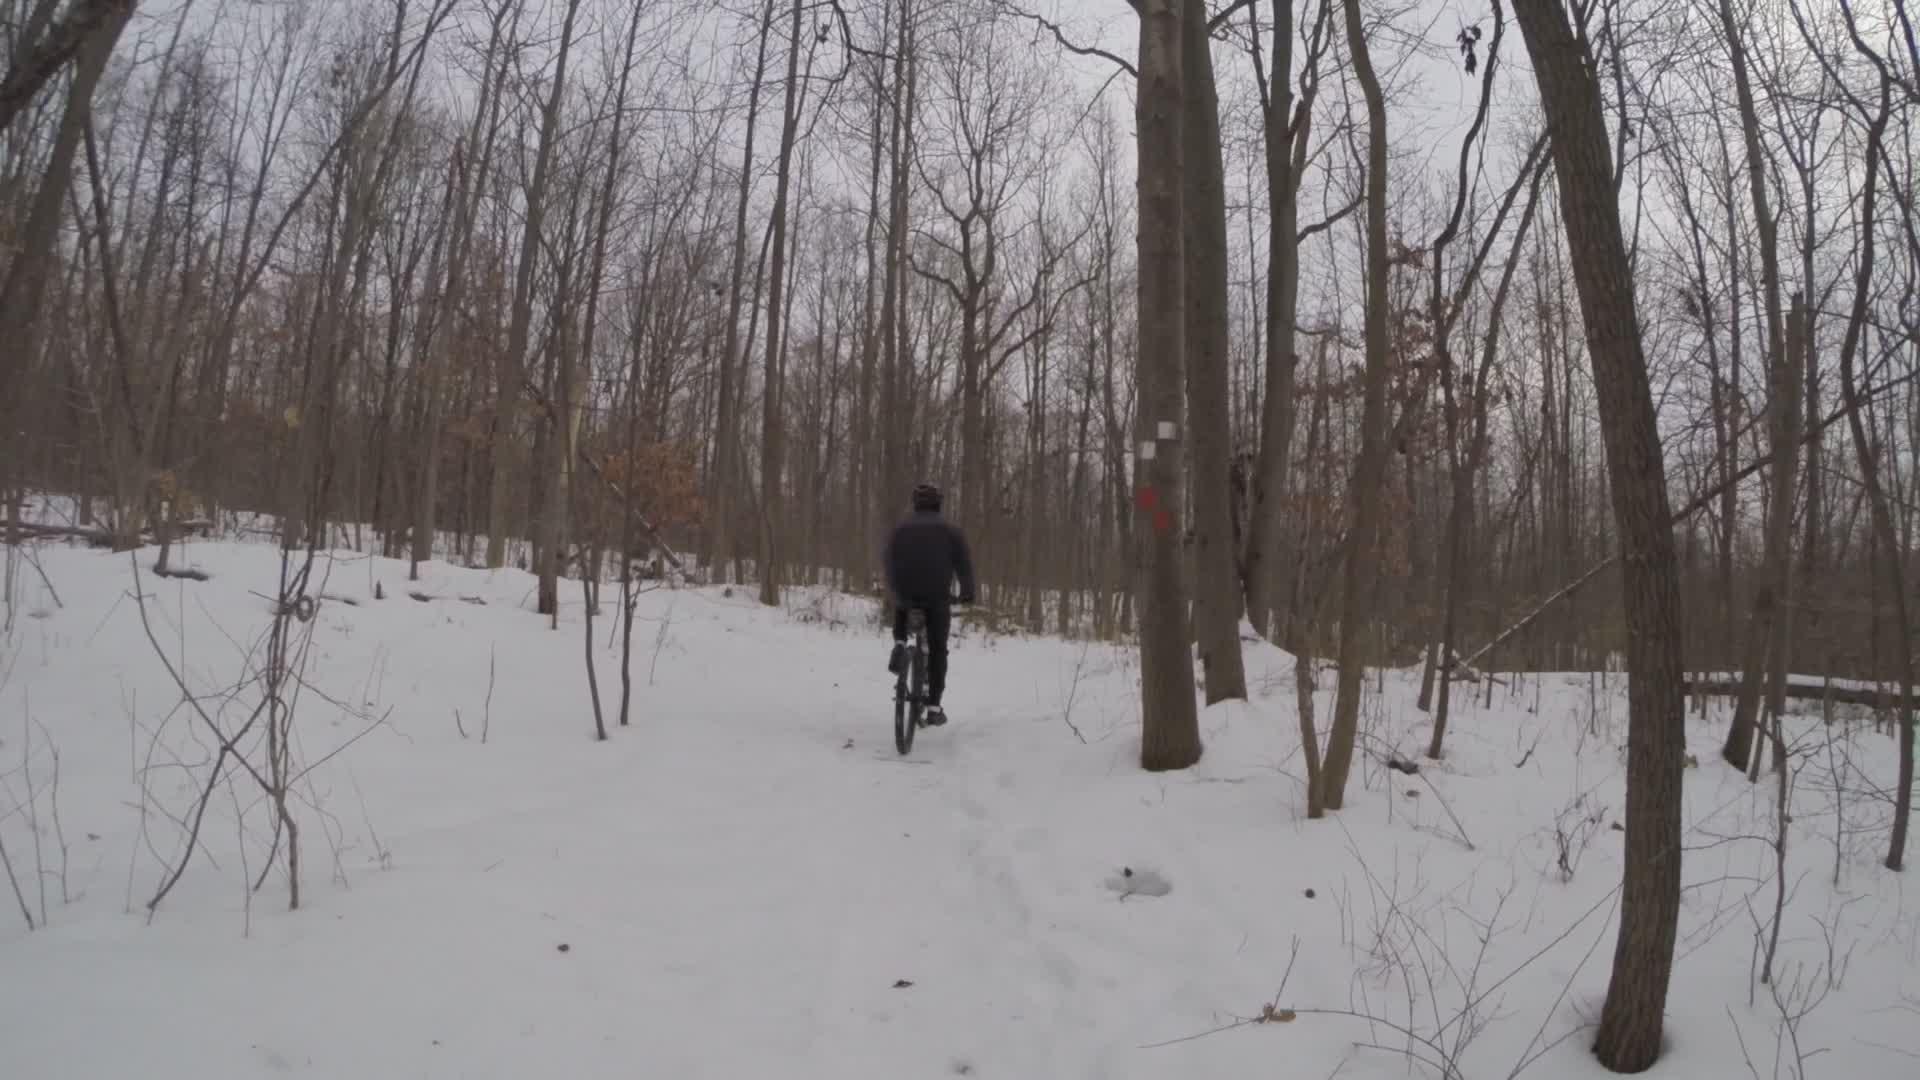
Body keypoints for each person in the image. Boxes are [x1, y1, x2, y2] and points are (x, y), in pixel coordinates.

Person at [882, 483, 976, 725]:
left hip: (905, 593)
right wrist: (967, 593)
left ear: (915, 504)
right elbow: (963, 566)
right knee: (937, 650)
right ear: (938, 504)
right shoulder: (952, 531)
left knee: (903, 603)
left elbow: (889, 561)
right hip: (936, 597)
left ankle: (900, 642)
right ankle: (934, 707)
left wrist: (894, 589)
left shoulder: (899, 529)